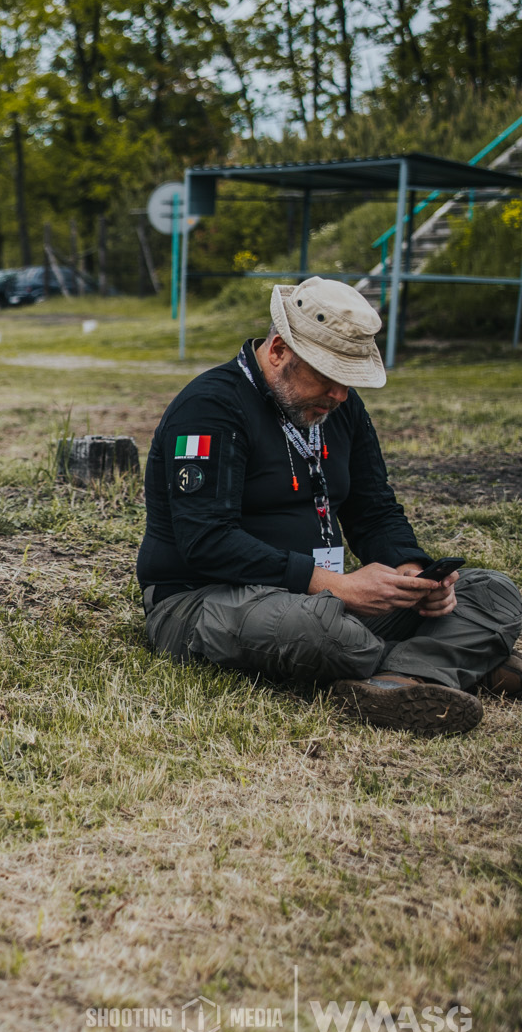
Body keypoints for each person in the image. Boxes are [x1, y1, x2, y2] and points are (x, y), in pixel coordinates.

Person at [138, 278, 522, 735]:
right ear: (279, 350)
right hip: (203, 598)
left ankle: (399, 679)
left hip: (323, 597)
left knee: (493, 592)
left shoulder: (341, 408)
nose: (339, 395)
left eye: (348, 380)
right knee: (327, 633)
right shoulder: (210, 408)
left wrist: (413, 572)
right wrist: (335, 587)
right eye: (327, 376)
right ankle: (461, 662)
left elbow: (374, 509)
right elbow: (207, 541)